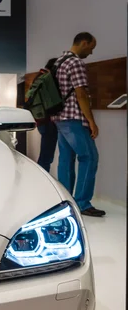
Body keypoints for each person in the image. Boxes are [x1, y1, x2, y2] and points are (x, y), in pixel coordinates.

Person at [52, 32, 104, 217]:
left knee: (66, 159)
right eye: (91, 47)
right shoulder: (76, 63)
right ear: (84, 42)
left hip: (59, 118)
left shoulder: (59, 62)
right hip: (74, 118)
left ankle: (65, 201)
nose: (90, 52)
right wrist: (91, 121)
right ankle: (82, 203)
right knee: (89, 157)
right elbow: (80, 94)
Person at [33, 58, 59, 173]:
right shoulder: (47, 79)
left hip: (40, 120)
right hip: (49, 121)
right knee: (46, 157)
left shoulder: (39, 77)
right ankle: (42, 183)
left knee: (45, 155)